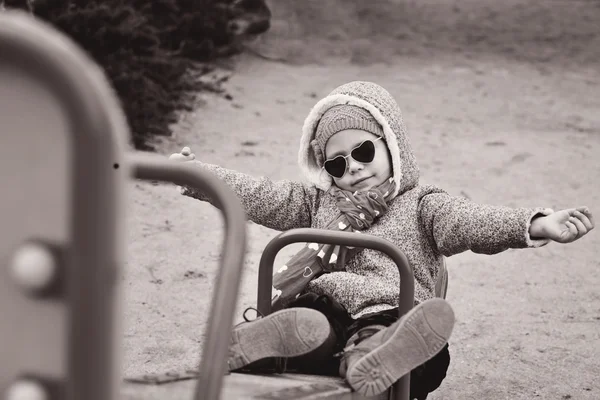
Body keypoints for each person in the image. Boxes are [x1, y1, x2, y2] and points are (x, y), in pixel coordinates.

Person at [169, 81, 594, 399]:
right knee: (313, 318)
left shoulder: (423, 204)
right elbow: (259, 193)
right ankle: (280, 340)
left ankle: (369, 355)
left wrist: (535, 223)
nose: (352, 167)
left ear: (392, 145)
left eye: (364, 152)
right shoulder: (318, 202)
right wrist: (198, 175)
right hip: (328, 306)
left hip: (390, 310)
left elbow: (471, 221)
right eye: (337, 162)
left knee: (416, 343)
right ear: (326, 169)